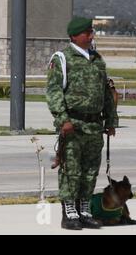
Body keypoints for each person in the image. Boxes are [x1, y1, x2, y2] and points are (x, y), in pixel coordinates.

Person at [46, 17, 118, 230]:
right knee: (71, 170)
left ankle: (84, 210)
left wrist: (111, 120)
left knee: (90, 171)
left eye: (91, 31)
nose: (91, 35)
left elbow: (106, 92)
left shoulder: (97, 59)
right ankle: (69, 213)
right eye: (87, 32)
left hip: (94, 125)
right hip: (73, 124)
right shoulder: (62, 58)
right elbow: (53, 91)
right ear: (74, 36)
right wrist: (62, 119)